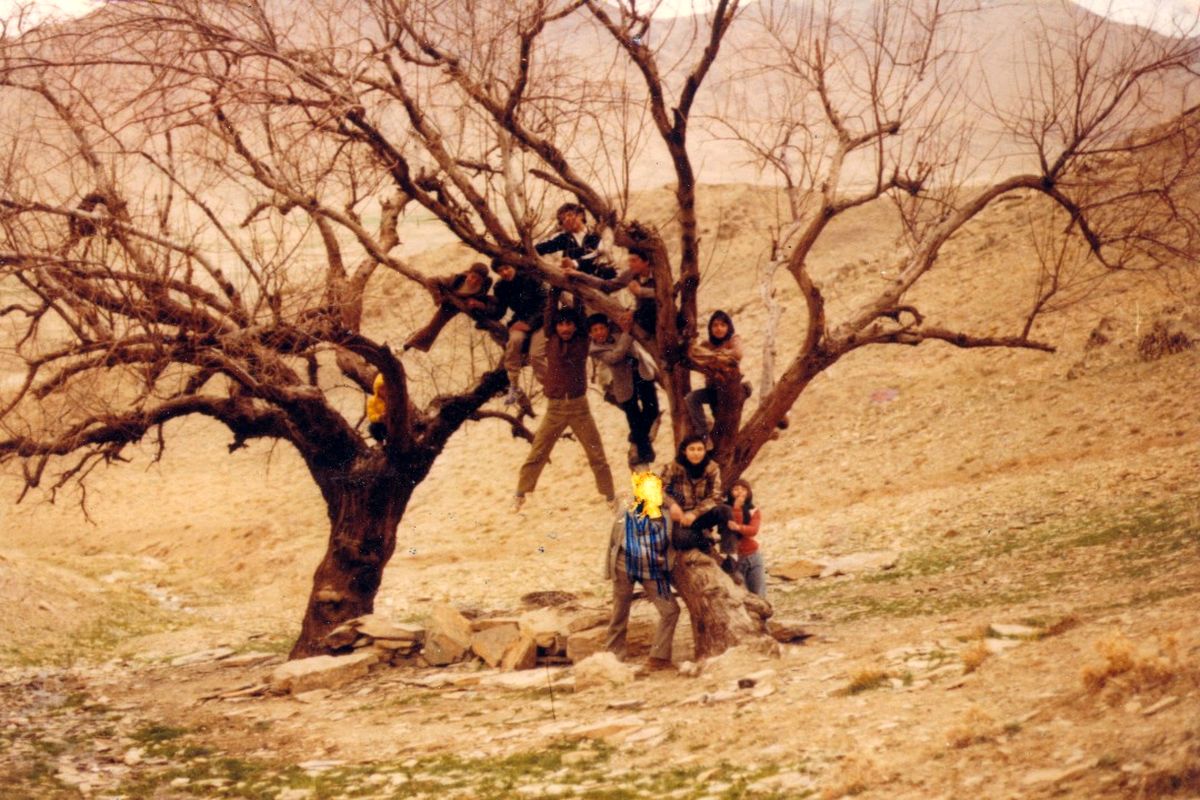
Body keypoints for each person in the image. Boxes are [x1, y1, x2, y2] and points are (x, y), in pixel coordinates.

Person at [513, 289, 615, 511]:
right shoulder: (551, 339)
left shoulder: (581, 340)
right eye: (561, 325)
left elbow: (579, 312)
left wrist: (575, 287)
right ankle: (520, 494)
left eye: (569, 324)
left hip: (580, 409)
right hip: (555, 409)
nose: (565, 328)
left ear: (576, 326)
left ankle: (609, 496)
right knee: (537, 452)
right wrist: (554, 291)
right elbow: (550, 315)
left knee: (596, 455)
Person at [605, 471, 679, 671]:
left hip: (651, 571)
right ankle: (612, 659)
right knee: (620, 612)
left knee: (670, 610)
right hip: (624, 566)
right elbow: (624, 541)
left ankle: (658, 658)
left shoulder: (665, 513)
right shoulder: (630, 510)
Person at [587, 312, 659, 467]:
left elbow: (621, 315)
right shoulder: (595, 349)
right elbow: (615, 357)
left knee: (652, 410)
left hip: (641, 372)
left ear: (607, 327)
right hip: (623, 383)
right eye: (595, 330)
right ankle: (645, 451)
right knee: (634, 418)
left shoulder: (616, 330)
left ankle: (637, 436)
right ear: (590, 334)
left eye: (601, 328)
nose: (599, 332)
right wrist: (627, 334)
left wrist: (626, 322)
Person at [659, 434, 736, 574]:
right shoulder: (672, 467)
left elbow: (716, 496)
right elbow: (659, 490)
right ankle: (705, 542)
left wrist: (695, 514)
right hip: (680, 517)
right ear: (684, 451)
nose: (696, 453)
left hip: (701, 514)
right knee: (681, 541)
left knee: (725, 511)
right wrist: (672, 505)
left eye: (700, 449)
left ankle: (729, 555)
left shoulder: (712, 468)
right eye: (692, 449)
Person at [489, 259, 548, 404]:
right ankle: (514, 386)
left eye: (507, 268)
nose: (504, 272)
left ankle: (552, 385)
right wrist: (481, 306)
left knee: (536, 355)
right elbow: (499, 312)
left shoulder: (532, 278)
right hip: (521, 321)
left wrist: (530, 324)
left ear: (513, 266)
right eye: (500, 271)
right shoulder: (501, 287)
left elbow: (545, 304)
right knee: (514, 343)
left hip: (542, 321)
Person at [404, 263, 494, 352]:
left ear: (483, 281)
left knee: (486, 311)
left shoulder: (483, 288)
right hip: (449, 303)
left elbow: (483, 299)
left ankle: (415, 341)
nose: (474, 281)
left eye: (478, 280)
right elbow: (430, 281)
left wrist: (476, 303)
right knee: (435, 325)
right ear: (468, 273)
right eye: (472, 277)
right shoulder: (455, 280)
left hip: (465, 305)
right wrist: (438, 298)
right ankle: (412, 343)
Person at [685, 310, 744, 442]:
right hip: (713, 389)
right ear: (710, 328)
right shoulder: (706, 344)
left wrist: (711, 357)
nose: (719, 329)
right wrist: (721, 357)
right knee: (691, 398)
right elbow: (694, 354)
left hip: (729, 391)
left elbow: (737, 354)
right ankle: (704, 436)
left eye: (723, 325)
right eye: (715, 325)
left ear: (729, 327)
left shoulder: (734, 339)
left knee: (725, 426)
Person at [535, 202, 617, 280]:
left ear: (581, 215)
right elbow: (544, 247)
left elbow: (599, 255)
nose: (567, 220)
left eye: (570, 215)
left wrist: (575, 263)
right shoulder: (564, 238)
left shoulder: (595, 234)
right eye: (563, 219)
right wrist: (527, 247)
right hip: (574, 283)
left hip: (597, 280)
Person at [726, 478, 765, 599]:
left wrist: (738, 527)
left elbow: (752, 531)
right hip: (735, 558)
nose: (739, 492)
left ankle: (761, 618)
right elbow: (732, 529)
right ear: (730, 492)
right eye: (736, 489)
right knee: (741, 596)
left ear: (748, 492)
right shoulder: (724, 509)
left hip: (753, 555)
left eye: (743, 489)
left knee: (758, 594)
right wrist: (736, 508)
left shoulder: (753, 510)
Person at [366, 373, 387, 443]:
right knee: (372, 427)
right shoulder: (372, 400)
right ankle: (380, 442)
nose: (384, 391)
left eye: (386, 388)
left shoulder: (392, 400)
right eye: (382, 389)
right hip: (380, 423)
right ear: (377, 389)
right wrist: (379, 417)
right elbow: (371, 416)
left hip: (392, 423)